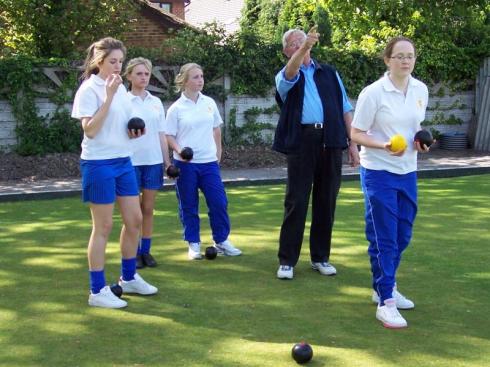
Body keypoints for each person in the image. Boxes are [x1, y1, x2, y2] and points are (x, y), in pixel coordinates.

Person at [71, 38, 158, 309]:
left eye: (121, 61)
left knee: (134, 220)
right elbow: (91, 130)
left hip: (123, 161)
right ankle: (97, 290)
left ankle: (129, 277)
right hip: (99, 164)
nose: (118, 66)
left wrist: (134, 131)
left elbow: (121, 124)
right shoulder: (89, 89)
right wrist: (107, 96)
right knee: (104, 226)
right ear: (99, 61)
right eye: (113, 61)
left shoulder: (120, 88)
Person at [351, 36, 429, 328]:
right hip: (378, 171)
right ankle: (386, 301)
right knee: (384, 237)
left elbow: (416, 128)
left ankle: (384, 284)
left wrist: (421, 142)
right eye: (399, 56)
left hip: (408, 171)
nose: (406, 61)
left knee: (402, 235)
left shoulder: (421, 89)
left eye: (410, 55)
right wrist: (384, 146)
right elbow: (356, 134)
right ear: (387, 60)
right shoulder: (373, 93)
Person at [273, 27, 359, 280]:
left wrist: (353, 144)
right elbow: (291, 73)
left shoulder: (329, 73)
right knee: (297, 200)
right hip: (302, 141)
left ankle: (320, 257)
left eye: (304, 40)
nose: (301, 44)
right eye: (295, 43)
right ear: (286, 51)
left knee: (326, 200)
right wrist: (304, 47)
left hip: (331, 140)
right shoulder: (285, 75)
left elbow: (345, 108)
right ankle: (287, 260)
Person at [165, 63, 242, 260]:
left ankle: (222, 241)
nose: (200, 80)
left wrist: (219, 152)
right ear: (185, 81)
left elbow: (216, 129)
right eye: (195, 77)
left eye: (201, 76)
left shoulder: (209, 103)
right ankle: (193, 244)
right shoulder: (176, 109)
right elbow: (169, 136)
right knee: (189, 205)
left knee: (219, 202)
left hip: (209, 163)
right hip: (185, 165)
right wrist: (180, 150)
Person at [123, 57, 171, 269]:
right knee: (133, 213)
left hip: (153, 161)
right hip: (130, 163)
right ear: (129, 76)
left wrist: (167, 162)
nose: (143, 78)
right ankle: (132, 253)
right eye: (139, 74)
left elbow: (162, 134)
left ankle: (146, 251)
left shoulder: (156, 102)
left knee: (148, 208)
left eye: (147, 74)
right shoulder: (122, 101)